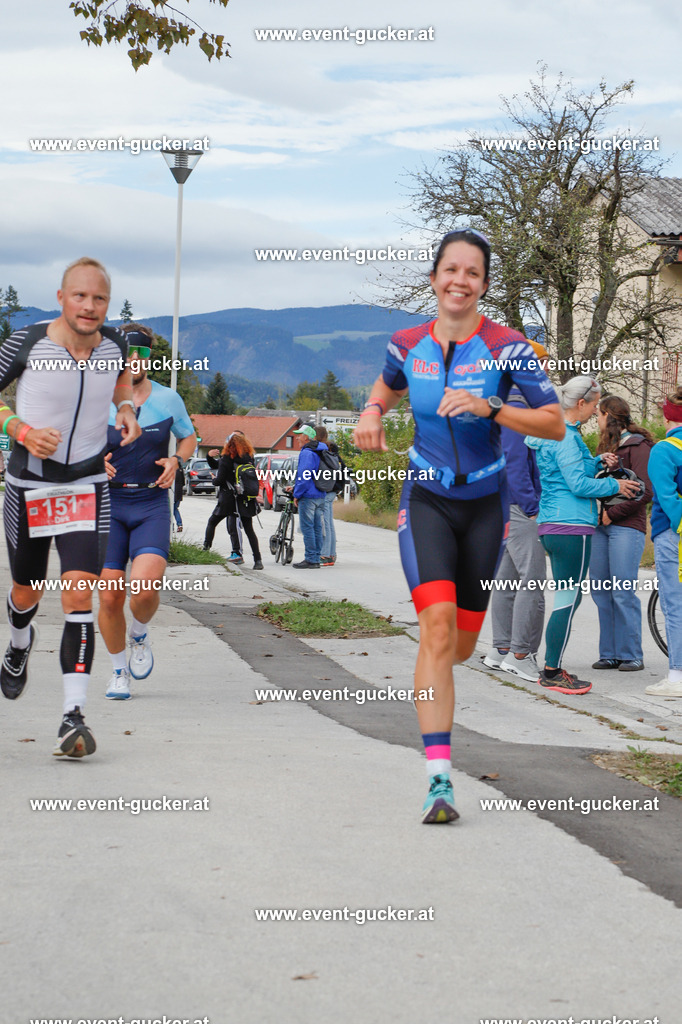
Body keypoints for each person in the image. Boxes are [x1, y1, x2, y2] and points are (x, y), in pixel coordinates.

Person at [354, 228, 564, 823]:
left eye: (472, 273)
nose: (460, 281)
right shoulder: (406, 342)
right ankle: (438, 780)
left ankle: (442, 685)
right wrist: (372, 412)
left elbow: (553, 422)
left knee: (463, 645)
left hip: (485, 505)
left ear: (484, 286)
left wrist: (490, 407)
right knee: (437, 630)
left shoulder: (509, 347)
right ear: (434, 278)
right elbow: (389, 387)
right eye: (451, 270)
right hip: (425, 498)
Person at [0, 257, 141, 756]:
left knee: (79, 593)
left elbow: (122, 381)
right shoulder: (27, 341)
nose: (89, 306)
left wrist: (125, 408)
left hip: (86, 485)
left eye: (99, 298)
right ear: (61, 298)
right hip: (30, 487)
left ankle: (72, 716)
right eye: (79, 296)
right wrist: (20, 430)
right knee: (26, 588)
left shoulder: (116, 344)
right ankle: (19, 644)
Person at [98, 323, 197, 700]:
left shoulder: (169, 399)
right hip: (108, 504)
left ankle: (139, 633)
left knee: (142, 589)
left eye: (138, 353)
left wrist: (177, 460)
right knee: (109, 597)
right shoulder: (98, 400)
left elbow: (189, 437)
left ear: (148, 357)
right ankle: (118, 671)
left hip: (151, 502)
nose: (131, 360)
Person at [526, 377, 641, 695]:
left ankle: (551, 667)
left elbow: (567, 473)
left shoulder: (554, 433)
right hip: (572, 526)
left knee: (566, 599)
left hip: (552, 523)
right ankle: (551, 671)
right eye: (593, 405)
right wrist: (616, 485)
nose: (595, 412)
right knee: (568, 600)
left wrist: (596, 462)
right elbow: (577, 486)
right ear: (581, 403)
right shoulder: (565, 435)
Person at [484, 340, 549, 681]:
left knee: (507, 579)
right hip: (517, 505)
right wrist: (531, 505)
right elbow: (514, 461)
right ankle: (521, 654)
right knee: (533, 579)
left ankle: (501, 649)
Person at [590, 395, 654, 671]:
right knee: (601, 591)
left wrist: (610, 515)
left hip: (625, 527)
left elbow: (645, 491)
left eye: (599, 415)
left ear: (608, 415)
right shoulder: (606, 447)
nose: (597, 420)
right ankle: (609, 653)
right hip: (598, 528)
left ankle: (631, 654)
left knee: (623, 591)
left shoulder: (639, 446)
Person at [645, 387, 682, 697]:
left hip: (674, 534)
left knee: (675, 605)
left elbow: (668, 500)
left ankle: (677, 677)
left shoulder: (665, 450)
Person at [205, 433, 263, 569]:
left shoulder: (226, 458)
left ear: (228, 445)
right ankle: (258, 561)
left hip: (228, 499)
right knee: (249, 530)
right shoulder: (249, 458)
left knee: (212, 522)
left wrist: (213, 478)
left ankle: (205, 550)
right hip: (245, 499)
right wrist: (209, 457)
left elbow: (219, 480)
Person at [292, 424, 328, 568]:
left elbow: (304, 476)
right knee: (317, 528)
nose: (297, 438)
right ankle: (316, 558)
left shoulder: (307, 452)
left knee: (308, 528)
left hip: (308, 495)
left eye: (299, 435)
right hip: (321, 493)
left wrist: (296, 494)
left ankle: (311, 559)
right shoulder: (320, 450)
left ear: (306, 437)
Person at [315, 424, 343, 566]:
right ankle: (331, 554)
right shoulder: (333, 451)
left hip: (327, 489)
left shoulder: (323, 450)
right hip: (334, 489)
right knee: (329, 523)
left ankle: (325, 555)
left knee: (325, 523)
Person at [173, 464, 185, 532]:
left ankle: (171, 526)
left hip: (171, 492)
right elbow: (183, 482)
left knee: (170, 510)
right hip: (178, 492)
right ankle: (179, 524)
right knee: (175, 509)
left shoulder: (169, 468)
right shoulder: (180, 469)